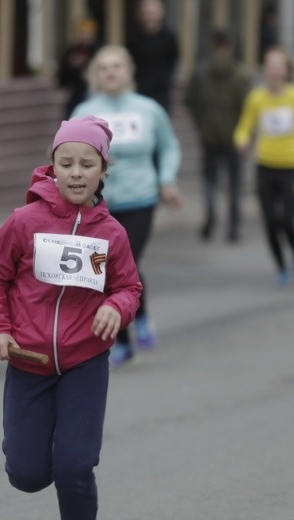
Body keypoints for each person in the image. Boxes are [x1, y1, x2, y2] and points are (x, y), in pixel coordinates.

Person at [0, 115, 142, 520]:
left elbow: (128, 286)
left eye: (86, 164)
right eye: (65, 162)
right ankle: (40, 457)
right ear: (51, 166)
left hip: (83, 362)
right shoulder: (23, 222)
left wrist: (116, 306)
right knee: (27, 474)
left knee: (74, 464)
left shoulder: (110, 233)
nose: (75, 172)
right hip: (27, 362)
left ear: (102, 171)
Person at [71, 45, 182, 368]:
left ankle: (142, 317)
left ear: (129, 71)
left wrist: (167, 180)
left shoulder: (148, 110)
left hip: (140, 198)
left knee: (125, 263)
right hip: (98, 203)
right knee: (100, 270)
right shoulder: (85, 112)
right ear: (95, 75)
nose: (110, 72)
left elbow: (169, 145)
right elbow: (65, 153)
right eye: (103, 67)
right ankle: (120, 340)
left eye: (117, 66)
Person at [234, 47, 294, 286]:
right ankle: (281, 266)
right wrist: (242, 140)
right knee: (270, 222)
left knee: (287, 220)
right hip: (265, 166)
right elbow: (244, 126)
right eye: (269, 65)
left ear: (287, 71)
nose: (273, 70)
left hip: (292, 167)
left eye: (278, 65)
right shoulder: (256, 98)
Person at [184, 29, 251, 243]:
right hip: (235, 137)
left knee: (210, 181)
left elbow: (189, 100)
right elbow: (248, 108)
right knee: (233, 185)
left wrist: (201, 124)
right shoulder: (240, 74)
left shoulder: (201, 73)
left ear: (213, 46)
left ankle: (211, 214)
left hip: (209, 137)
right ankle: (233, 228)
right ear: (230, 46)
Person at [126, 0, 179, 113]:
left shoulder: (169, 37)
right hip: (139, 88)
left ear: (161, 13)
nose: (150, 17)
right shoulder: (133, 37)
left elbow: (173, 59)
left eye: (152, 13)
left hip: (161, 90)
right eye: (147, 13)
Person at [56, 18, 102, 120]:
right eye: (82, 33)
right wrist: (72, 66)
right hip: (77, 97)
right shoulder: (71, 52)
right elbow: (61, 80)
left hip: (97, 95)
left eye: (88, 34)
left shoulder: (99, 51)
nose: (85, 37)